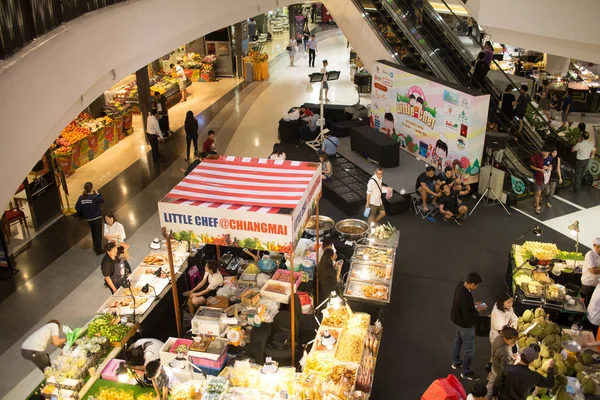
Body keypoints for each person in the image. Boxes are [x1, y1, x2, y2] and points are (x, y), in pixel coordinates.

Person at [451, 272, 486, 381]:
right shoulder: (465, 296)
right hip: (465, 325)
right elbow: (468, 315)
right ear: (472, 284)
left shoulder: (460, 285)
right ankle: (466, 372)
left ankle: (456, 362)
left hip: (458, 320)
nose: (476, 287)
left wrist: (474, 305)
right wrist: (477, 309)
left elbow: (464, 307)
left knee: (458, 341)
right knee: (469, 348)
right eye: (476, 285)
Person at [487, 326, 519, 398]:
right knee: (493, 388)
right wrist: (515, 362)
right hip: (498, 372)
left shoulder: (498, 338)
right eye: (513, 341)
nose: (515, 343)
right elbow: (504, 371)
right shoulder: (505, 353)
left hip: (494, 366)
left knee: (490, 385)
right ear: (505, 339)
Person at [76, 182, 104, 255]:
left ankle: (95, 246)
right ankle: (98, 249)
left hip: (89, 219)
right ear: (91, 188)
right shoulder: (94, 197)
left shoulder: (81, 198)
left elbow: (77, 207)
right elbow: (102, 200)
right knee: (98, 234)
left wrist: (81, 214)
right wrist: (97, 193)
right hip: (96, 218)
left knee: (94, 232)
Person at [571, 125, 596, 193]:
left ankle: (576, 189)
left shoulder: (579, 144)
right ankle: (578, 187)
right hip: (586, 160)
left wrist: (578, 142)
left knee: (577, 175)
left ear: (581, 137)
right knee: (581, 174)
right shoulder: (590, 144)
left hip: (580, 161)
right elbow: (594, 150)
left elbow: (573, 150)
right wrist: (592, 155)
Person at [530, 146, 552, 215]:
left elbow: (551, 166)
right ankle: (537, 207)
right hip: (538, 178)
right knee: (538, 193)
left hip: (545, 179)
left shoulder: (550, 158)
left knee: (547, 191)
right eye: (543, 151)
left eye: (545, 152)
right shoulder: (537, 157)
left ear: (549, 152)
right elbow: (531, 166)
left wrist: (548, 168)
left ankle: (539, 199)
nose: (543, 153)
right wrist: (540, 169)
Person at [581, 238, 600, 305]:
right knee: (585, 303)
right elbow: (592, 270)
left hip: (597, 284)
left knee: (593, 303)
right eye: (598, 247)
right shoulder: (590, 254)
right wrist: (596, 270)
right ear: (594, 245)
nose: (599, 249)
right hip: (588, 283)